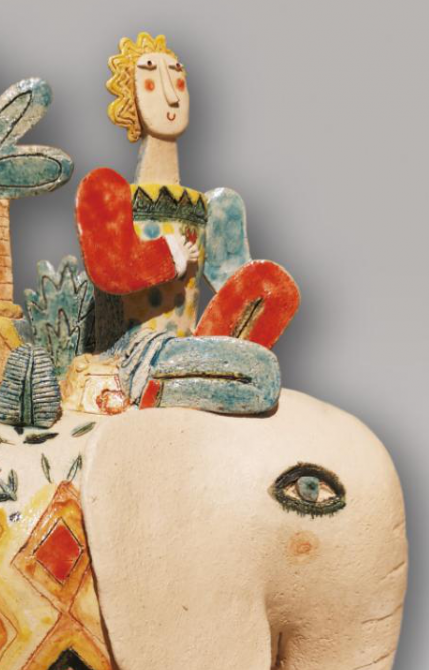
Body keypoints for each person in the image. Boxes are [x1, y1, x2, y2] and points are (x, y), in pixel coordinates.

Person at [70, 32, 299, 415]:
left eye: (177, 81)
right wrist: (171, 255)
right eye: (151, 84)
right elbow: (110, 271)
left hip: (184, 348)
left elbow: (233, 290)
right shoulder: (107, 192)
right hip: (134, 353)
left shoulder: (210, 207)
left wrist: (269, 290)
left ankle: (189, 383)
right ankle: (152, 393)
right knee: (262, 375)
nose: (171, 96)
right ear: (130, 100)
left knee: (268, 300)